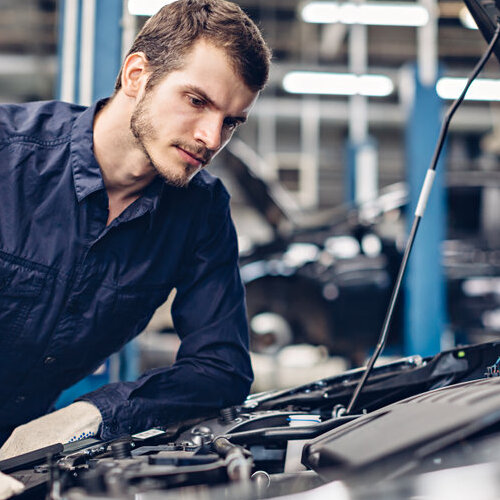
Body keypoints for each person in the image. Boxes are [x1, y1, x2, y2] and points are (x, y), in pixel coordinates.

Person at [0, 0, 270, 473]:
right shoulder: (9, 158)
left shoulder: (201, 214)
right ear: (135, 75)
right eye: (197, 101)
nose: (211, 137)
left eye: (231, 121)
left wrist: (94, 413)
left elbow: (221, 369)